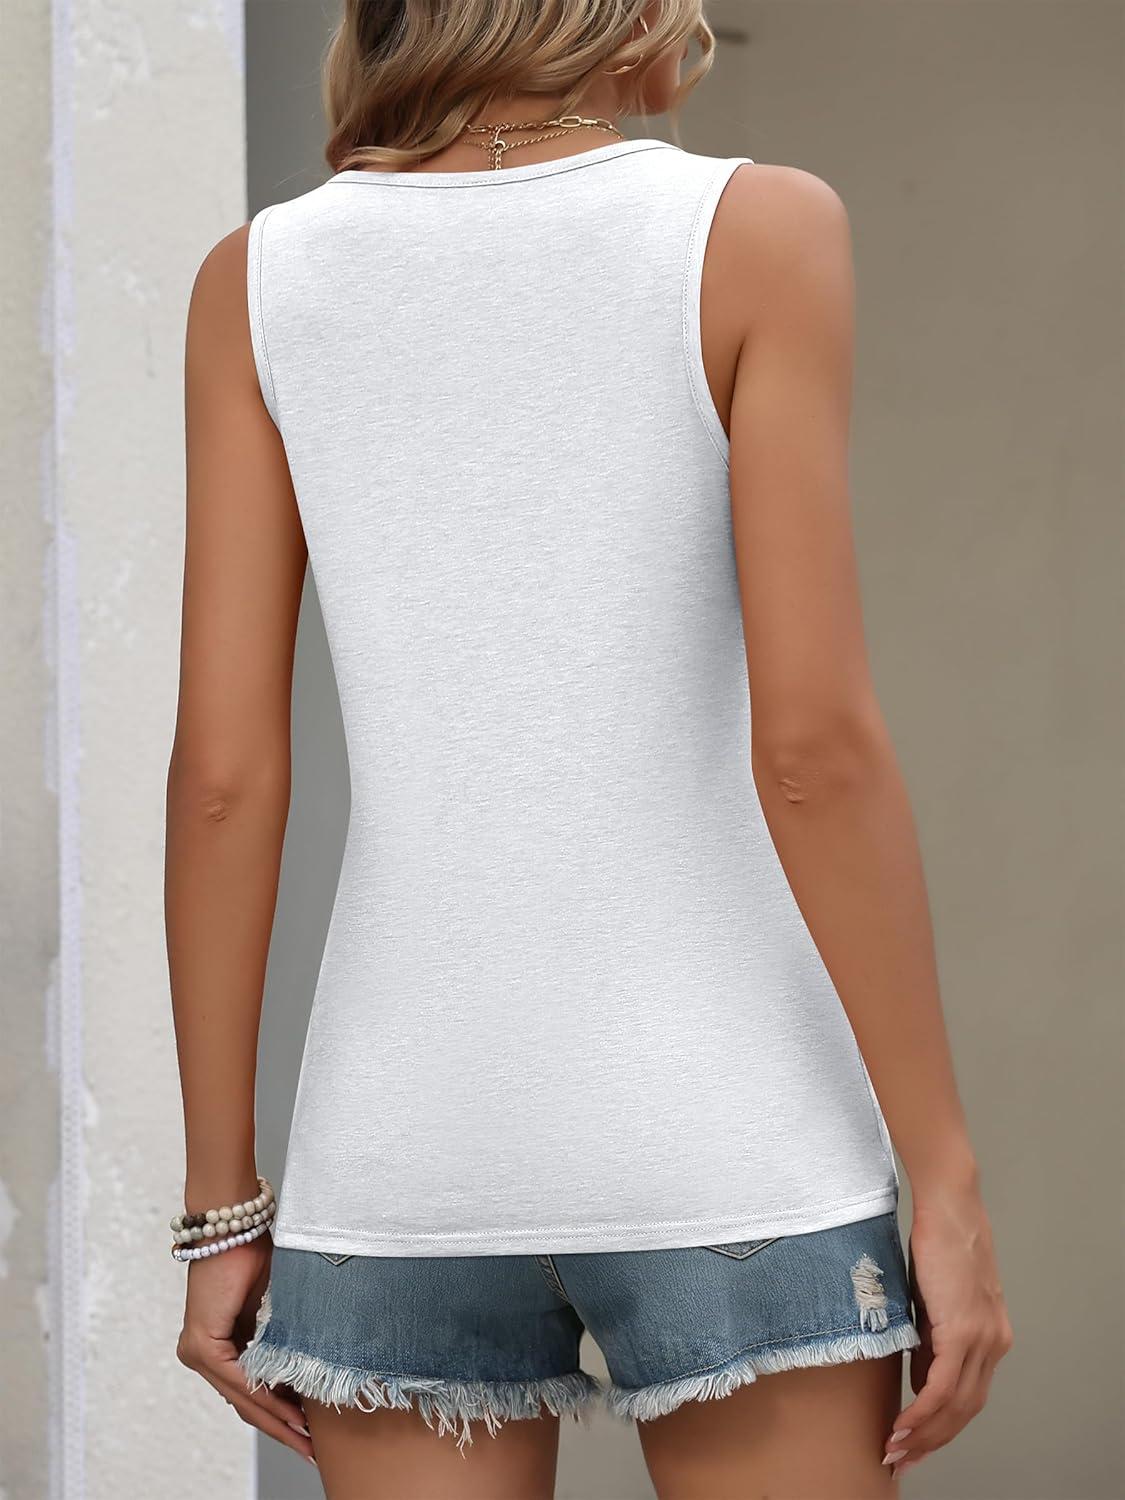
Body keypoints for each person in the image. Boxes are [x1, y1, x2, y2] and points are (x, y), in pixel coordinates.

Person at [166, 3, 1012, 1495]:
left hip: (402, 1143)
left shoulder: (259, 278)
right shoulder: (756, 230)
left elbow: (226, 780)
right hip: (732, 1131)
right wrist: (940, 1175)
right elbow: (811, 751)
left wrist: (221, 1204)